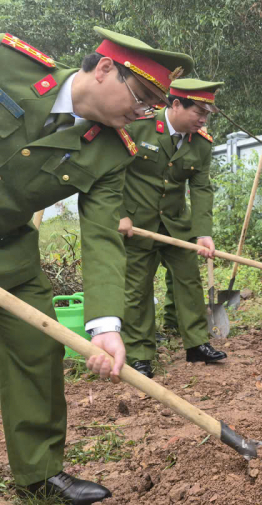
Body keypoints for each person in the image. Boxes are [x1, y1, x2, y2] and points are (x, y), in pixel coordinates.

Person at [0, 27, 193, 503]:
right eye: (142, 98)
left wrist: (105, 325)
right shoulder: (10, 65)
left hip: (10, 253)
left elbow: (103, 236)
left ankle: (40, 475)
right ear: (106, 68)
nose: (142, 113)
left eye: (152, 106)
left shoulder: (110, 151)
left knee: (37, 351)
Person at [118, 79, 226, 378]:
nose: (203, 119)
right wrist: (120, 213)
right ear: (176, 104)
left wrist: (204, 232)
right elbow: (112, 169)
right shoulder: (138, 127)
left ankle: (196, 344)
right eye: (199, 112)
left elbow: (201, 187)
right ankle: (140, 354)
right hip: (137, 225)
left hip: (177, 225)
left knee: (189, 283)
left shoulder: (200, 143)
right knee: (137, 289)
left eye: (208, 114)